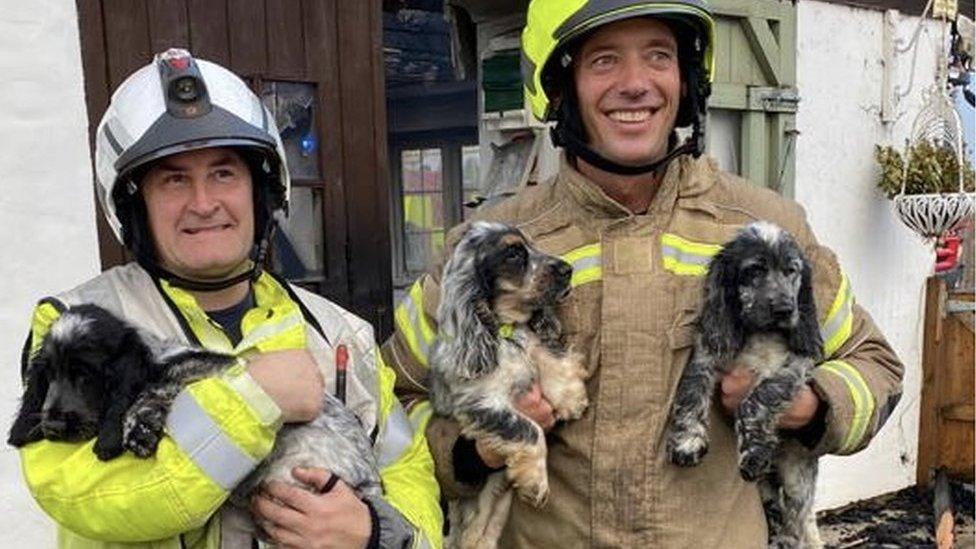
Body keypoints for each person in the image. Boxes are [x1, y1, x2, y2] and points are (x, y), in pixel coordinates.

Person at [380, 1, 904, 546]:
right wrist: (476, 447)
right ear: (560, 88)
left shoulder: (763, 230)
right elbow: (394, 404)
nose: (636, 84)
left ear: (687, 80)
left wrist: (811, 404)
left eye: (658, 55)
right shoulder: (489, 246)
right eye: (604, 60)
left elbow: (877, 368)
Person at [16, 48, 442, 548]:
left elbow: (411, 474)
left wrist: (374, 531)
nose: (203, 202)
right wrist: (253, 400)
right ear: (136, 204)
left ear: (259, 190)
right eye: (174, 179)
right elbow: (84, 495)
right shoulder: (79, 329)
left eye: (224, 173)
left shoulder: (341, 333)